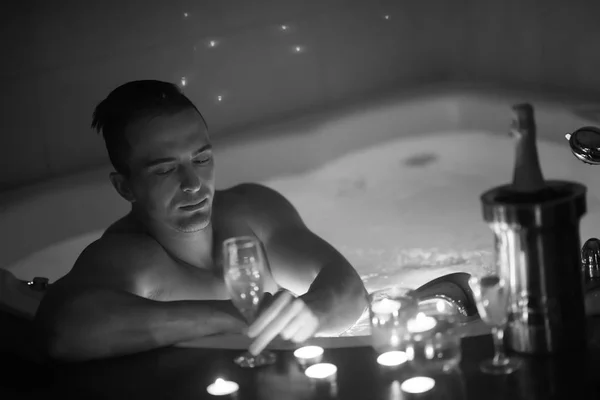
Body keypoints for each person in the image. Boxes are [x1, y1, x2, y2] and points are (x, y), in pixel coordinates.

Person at [33, 80, 369, 362]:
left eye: (202, 158)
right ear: (125, 187)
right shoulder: (130, 256)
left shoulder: (251, 210)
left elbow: (351, 292)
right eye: (165, 169)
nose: (193, 183)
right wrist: (230, 315)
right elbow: (62, 330)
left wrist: (311, 313)